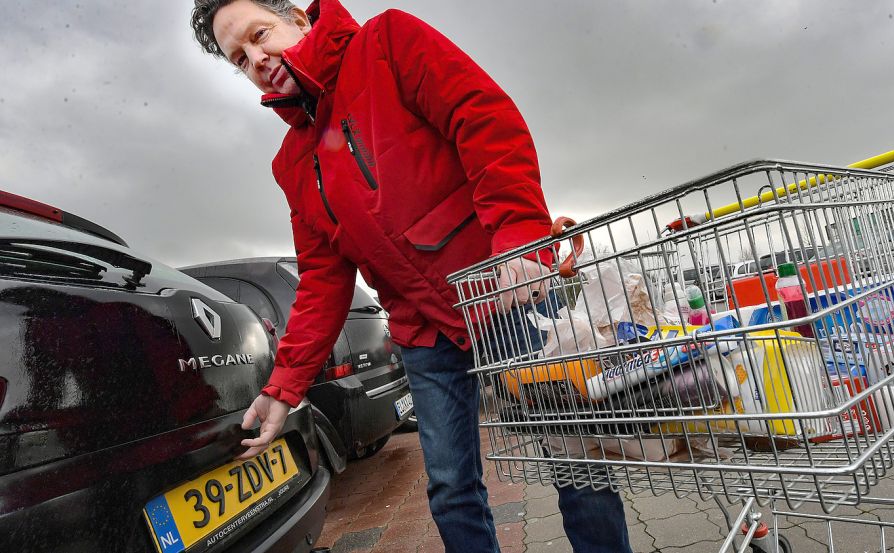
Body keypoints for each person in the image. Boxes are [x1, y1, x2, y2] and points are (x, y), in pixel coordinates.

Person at [190, 1, 633, 551]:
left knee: (574, 463)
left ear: (299, 21)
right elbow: (323, 281)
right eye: (240, 58)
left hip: (506, 295)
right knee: (449, 488)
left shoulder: (387, 42)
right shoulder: (293, 161)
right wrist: (283, 388)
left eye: (260, 35)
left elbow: (485, 118)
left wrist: (517, 238)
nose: (257, 58)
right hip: (425, 333)